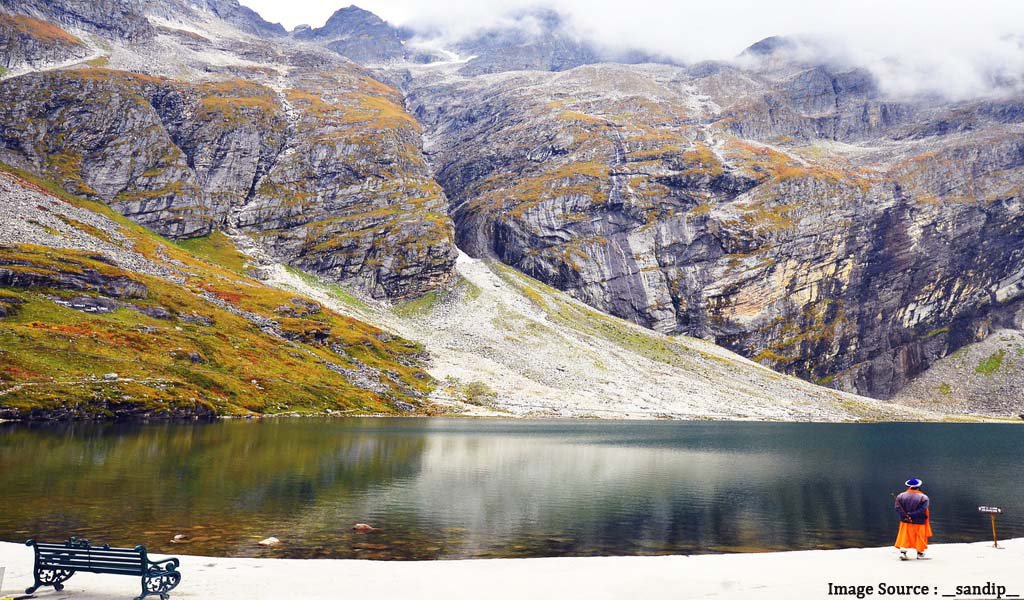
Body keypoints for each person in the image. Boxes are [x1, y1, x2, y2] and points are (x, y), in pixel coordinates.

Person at [894, 477, 932, 560]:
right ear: (918, 486)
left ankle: (903, 553)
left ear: (909, 486)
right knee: (919, 536)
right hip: (919, 520)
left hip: (905, 520)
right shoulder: (924, 497)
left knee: (905, 536)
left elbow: (897, 508)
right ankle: (920, 553)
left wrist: (906, 515)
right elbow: (923, 509)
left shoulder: (900, 496)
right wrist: (912, 514)